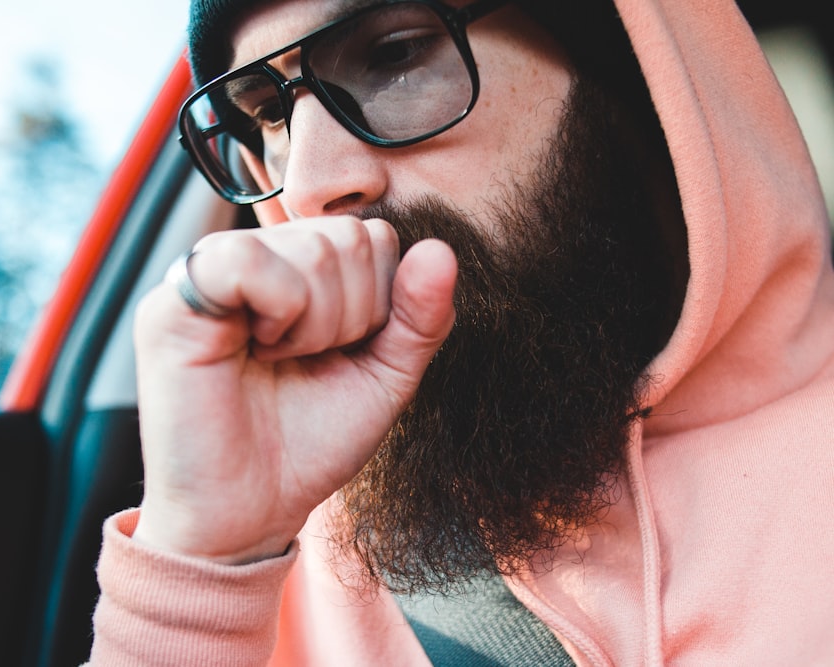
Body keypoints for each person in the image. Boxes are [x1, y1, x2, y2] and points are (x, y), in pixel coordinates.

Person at [86, 0, 834, 664]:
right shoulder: (283, 549)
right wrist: (198, 565)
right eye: (270, 119)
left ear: (622, 67)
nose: (311, 185)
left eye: (394, 55)